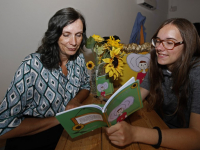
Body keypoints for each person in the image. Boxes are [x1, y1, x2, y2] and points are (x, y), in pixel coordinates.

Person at [0, 7, 90, 150]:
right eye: (66, 34)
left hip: (65, 134)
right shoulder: (32, 65)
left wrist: (76, 100)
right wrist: (60, 119)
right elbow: (3, 126)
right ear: (55, 35)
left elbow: (86, 85)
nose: (74, 42)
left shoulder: (78, 58)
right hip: (31, 141)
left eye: (78, 35)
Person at [105, 18, 200, 149]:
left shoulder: (197, 73)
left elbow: (197, 137)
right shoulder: (158, 65)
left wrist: (135, 133)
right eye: (158, 41)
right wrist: (109, 108)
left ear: (188, 45)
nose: (159, 48)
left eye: (169, 42)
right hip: (160, 127)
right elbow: (136, 96)